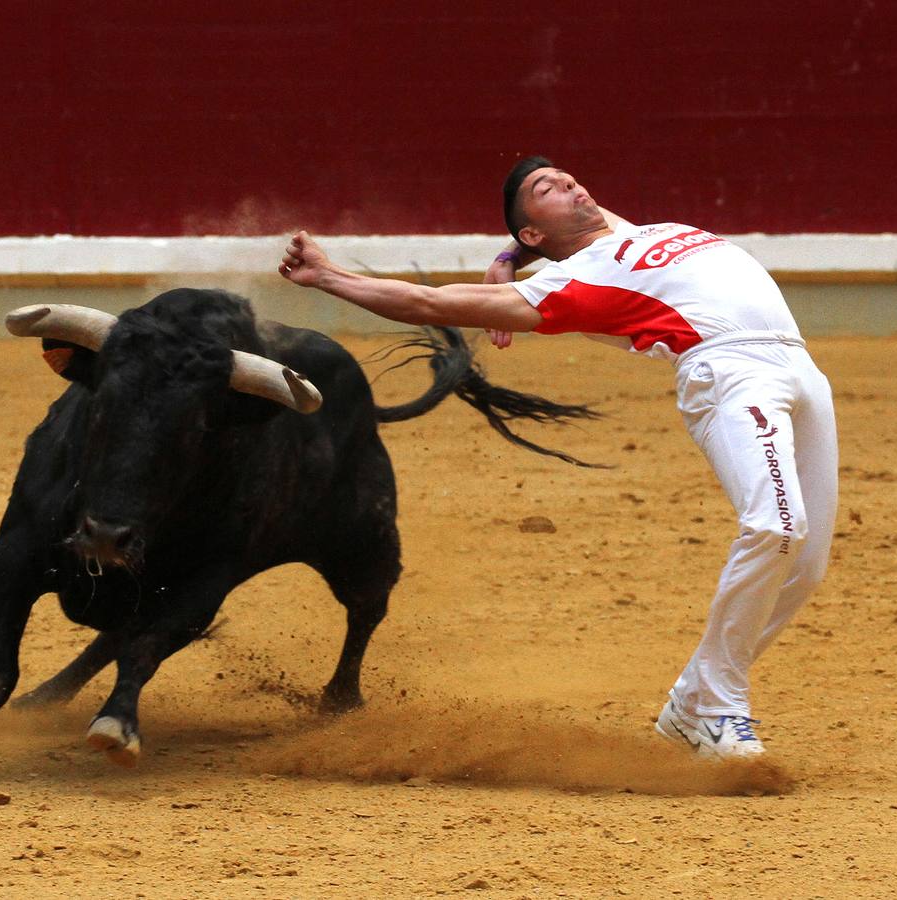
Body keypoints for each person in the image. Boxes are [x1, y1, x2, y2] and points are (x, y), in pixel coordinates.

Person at [277, 156, 838, 760]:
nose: (569, 184)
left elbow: (547, 238)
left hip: (799, 367)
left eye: (568, 177)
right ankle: (717, 708)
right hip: (728, 371)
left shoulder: (632, 236)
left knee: (804, 564)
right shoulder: (565, 288)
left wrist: (506, 256)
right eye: (546, 188)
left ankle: (694, 700)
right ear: (534, 232)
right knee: (774, 526)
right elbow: (424, 301)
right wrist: (329, 275)